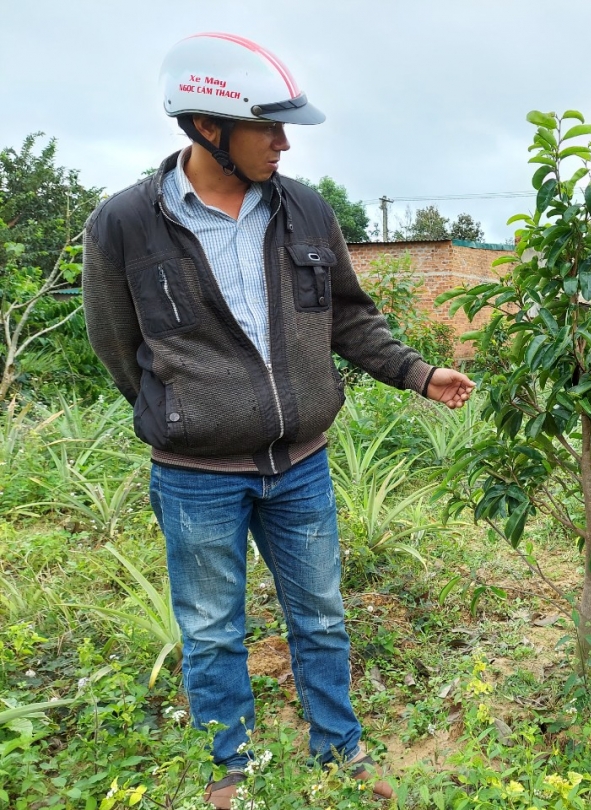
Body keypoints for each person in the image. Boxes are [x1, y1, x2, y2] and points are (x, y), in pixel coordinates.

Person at [82, 32, 474, 807]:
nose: (284, 142)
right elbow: (116, 346)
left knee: (322, 616)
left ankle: (341, 750)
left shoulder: (304, 210)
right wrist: (180, 414)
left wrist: (419, 374)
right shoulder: (126, 224)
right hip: (196, 476)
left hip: (301, 463)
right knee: (211, 629)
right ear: (206, 127)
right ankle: (231, 767)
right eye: (269, 127)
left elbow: (350, 320)